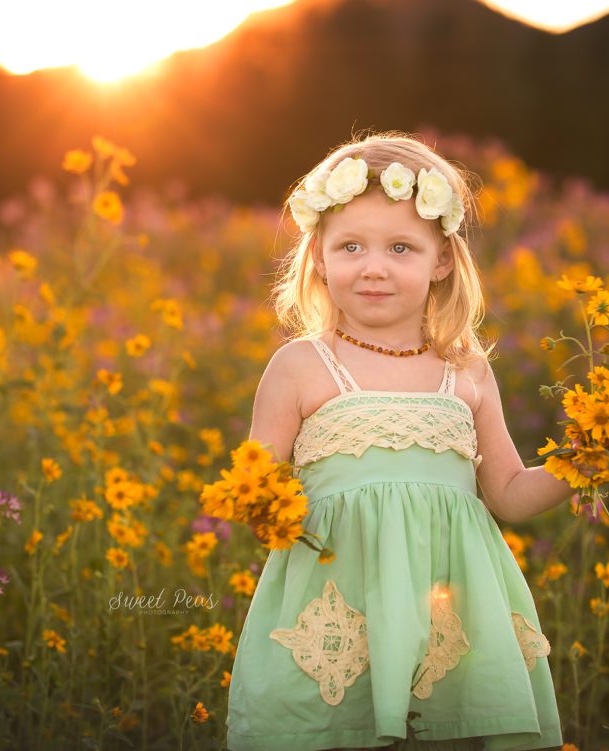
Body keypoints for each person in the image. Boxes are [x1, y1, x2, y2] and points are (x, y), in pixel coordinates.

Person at [225, 131, 570, 751]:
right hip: (337, 607)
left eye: (401, 247)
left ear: (441, 260)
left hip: (451, 608)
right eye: (350, 246)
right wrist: (262, 507)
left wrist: (587, 461)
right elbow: (259, 491)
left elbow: (512, 496)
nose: (373, 266)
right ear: (320, 258)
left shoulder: (466, 370)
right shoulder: (300, 366)